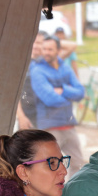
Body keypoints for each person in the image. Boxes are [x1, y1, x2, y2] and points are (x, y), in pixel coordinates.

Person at [31, 36, 86, 177]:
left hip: (68, 124)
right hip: (50, 127)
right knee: (51, 168)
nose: (46, 52)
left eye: (50, 49)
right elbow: (50, 99)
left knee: (78, 165)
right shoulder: (37, 71)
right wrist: (70, 96)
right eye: (44, 49)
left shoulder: (65, 67)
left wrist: (63, 90)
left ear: (58, 50)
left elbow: (80, 92)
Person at [16, 31, 46, 130]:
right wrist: (21, 117)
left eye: (40, 43)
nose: (36, 46)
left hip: (44, 117)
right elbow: (14, 93)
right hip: (26, 115)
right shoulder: (21, 63)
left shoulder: (48, 63)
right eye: (35, 42)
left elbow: (71, 47)